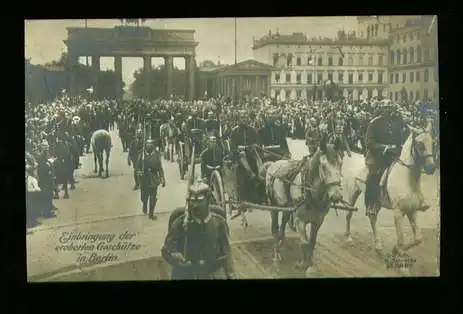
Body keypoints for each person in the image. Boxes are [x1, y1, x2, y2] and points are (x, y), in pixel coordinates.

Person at [364, 102, 430, 216]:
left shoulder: (398, 122)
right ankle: (371, 204)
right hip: (380, 155)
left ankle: (419, 198)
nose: (389, 111)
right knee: (373, 175)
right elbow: (369, 142)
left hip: (396, 154)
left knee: (413, 170)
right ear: (381, 109)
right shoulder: (374, 123)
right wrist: (383, 147)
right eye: (386, 109)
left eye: (391, 109)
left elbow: (405, 135)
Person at [161, 180, 235, 280]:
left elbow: (226, 251)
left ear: (208, 201)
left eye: (200, 201)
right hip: (187, 274)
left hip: (212, 272)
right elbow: (166, 250)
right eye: (192, 201)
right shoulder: (180, 224)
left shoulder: (219, 223)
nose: (195, 205)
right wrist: (174, 255)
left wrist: (230, 274)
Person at [230, 110, 261, 203]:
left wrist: (256, 145)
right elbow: (233, 148)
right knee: (242, 154)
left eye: (245, 117)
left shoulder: (252, 130)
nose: (244, 119)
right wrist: (240, 148)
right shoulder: (235, 131)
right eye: (242, 117)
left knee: (258, 157)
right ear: (239, 119)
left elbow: (258, 142)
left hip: (251, 154)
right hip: (238, 156)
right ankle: (251, 173)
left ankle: (260, 177)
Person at [136, 138, 166, 220]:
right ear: (145, 145)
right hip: (144, 178)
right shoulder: (142, 155)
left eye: (151, 144)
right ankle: (145, 204)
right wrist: (139, 172)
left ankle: (151, 213)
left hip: (153, 178)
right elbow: (138, 166)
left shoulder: (157, 155)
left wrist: (163, 179)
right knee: (144, 197)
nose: (149, 145)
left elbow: (160, 168)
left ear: (153, 146)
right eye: (147, 144)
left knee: (153, 197)